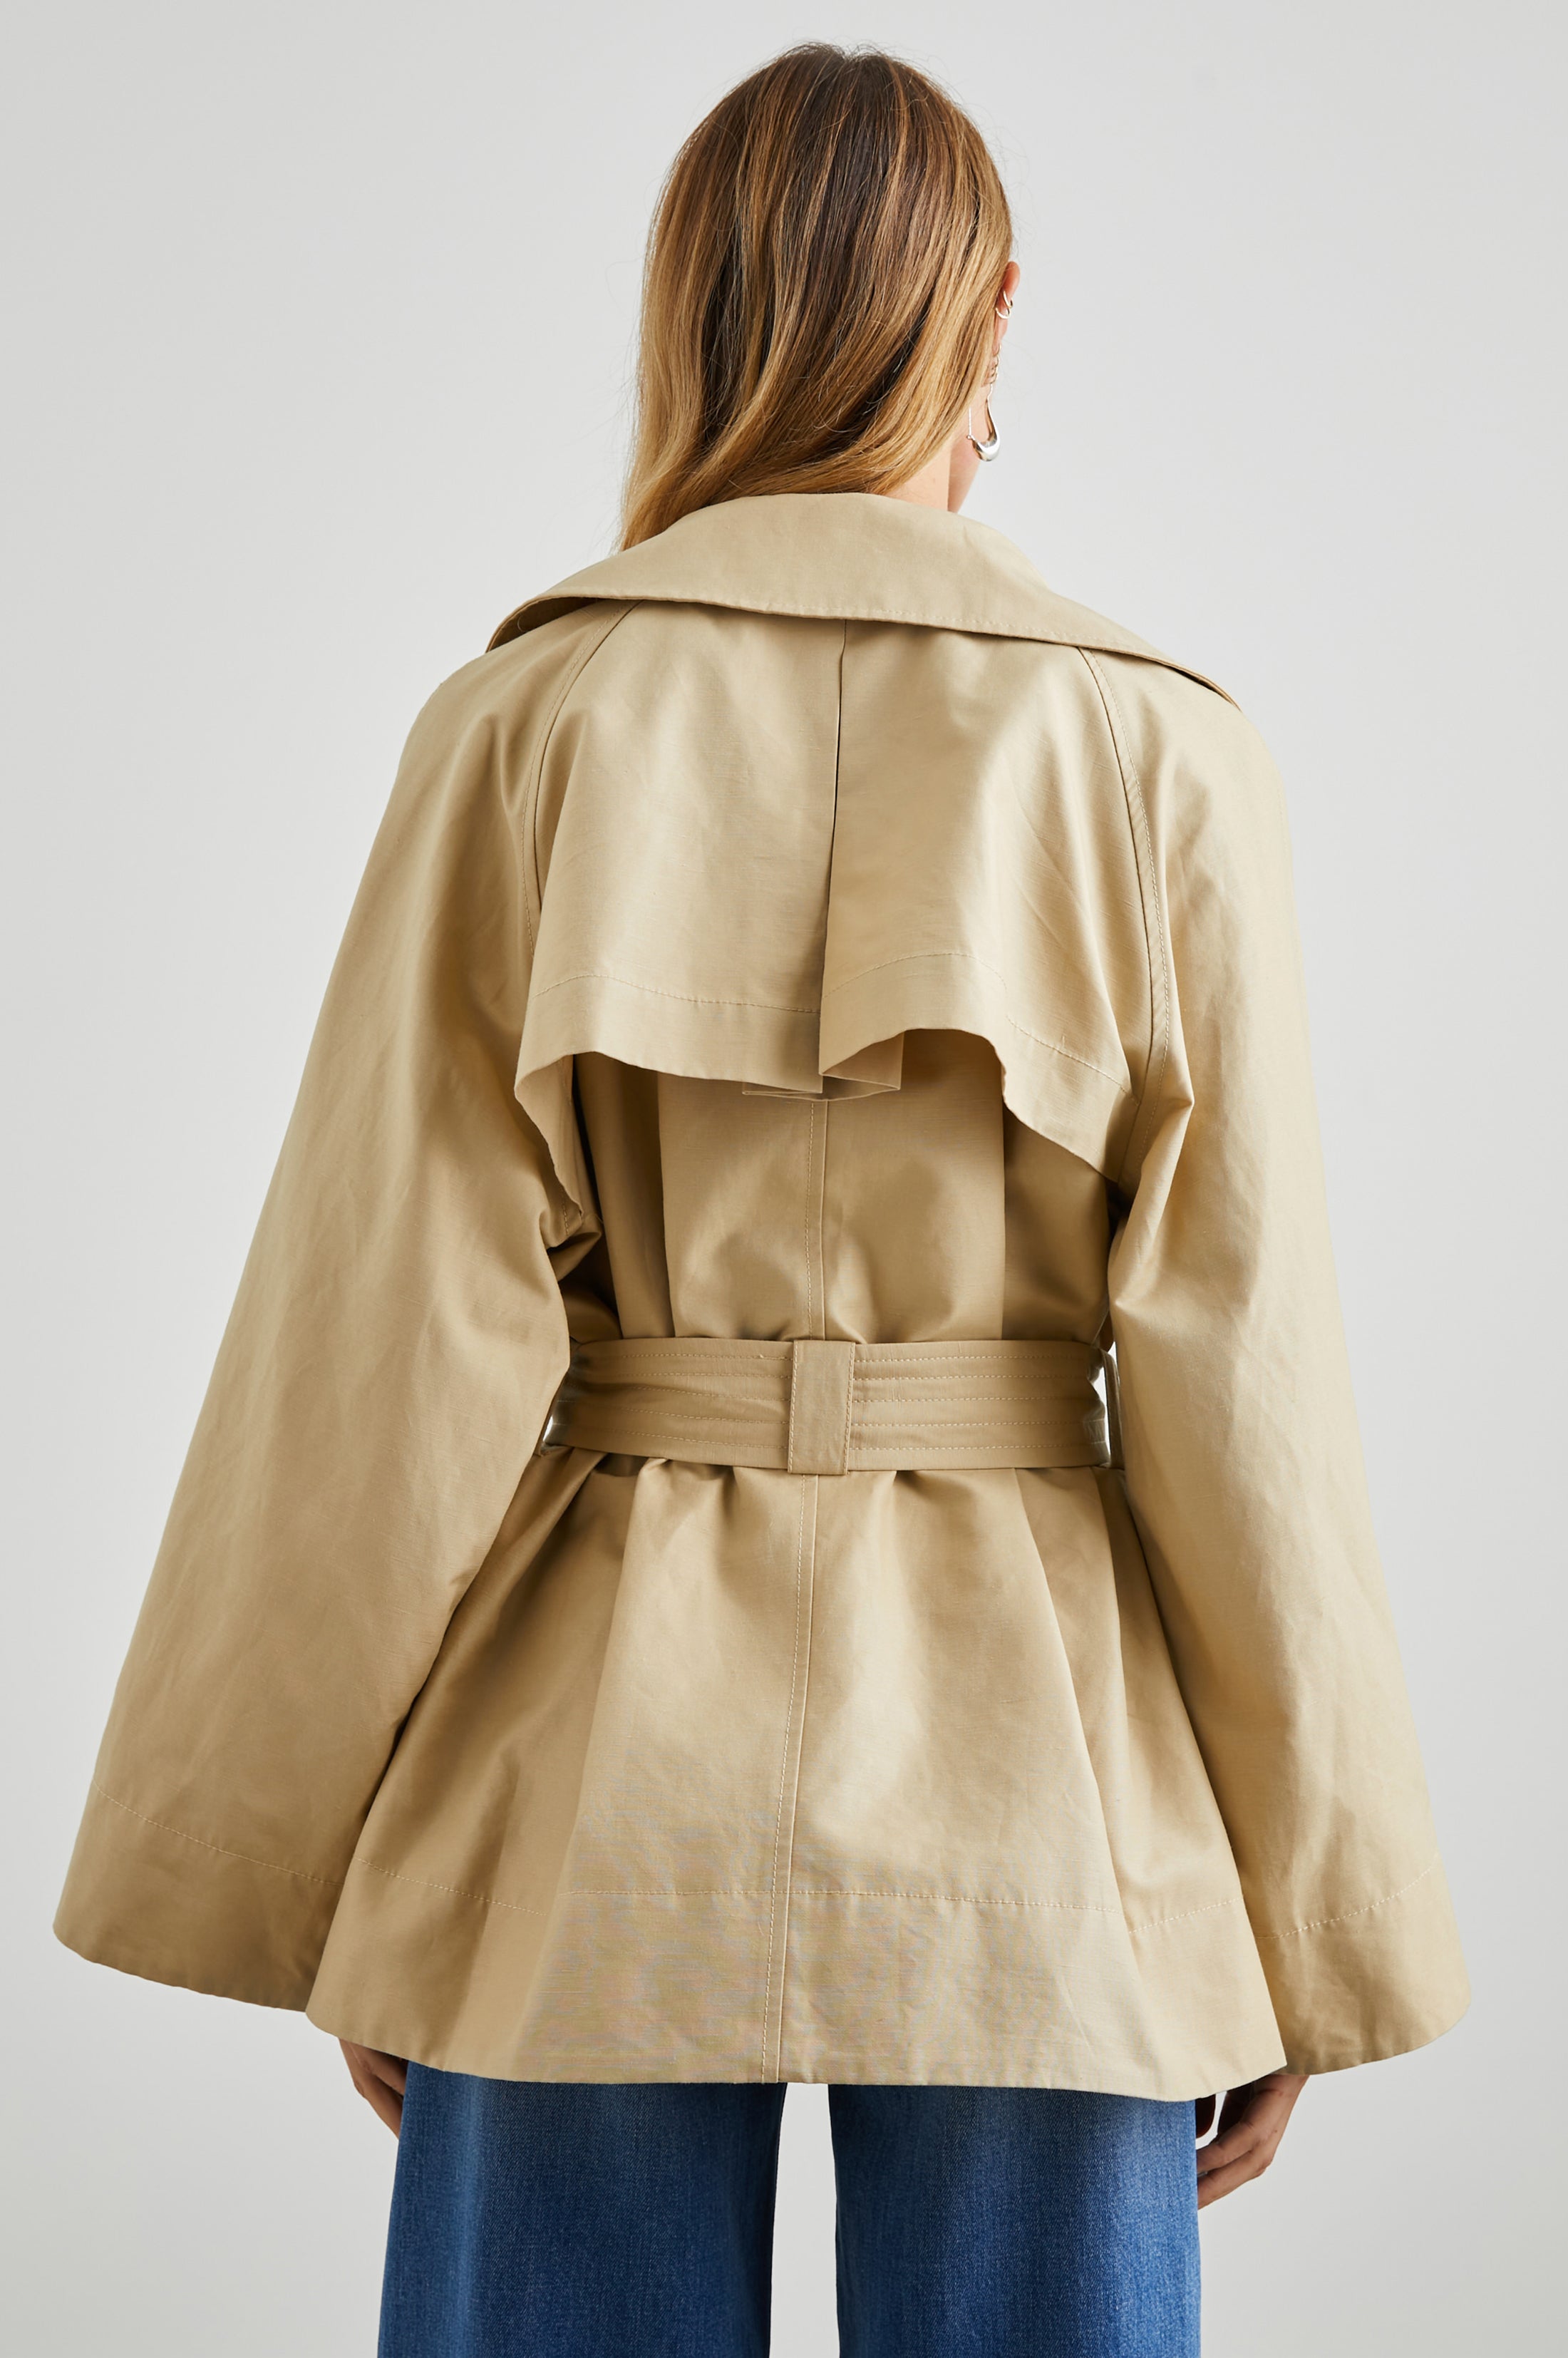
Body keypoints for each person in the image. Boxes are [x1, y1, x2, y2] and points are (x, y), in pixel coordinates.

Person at [55, 42, 1468, 2358]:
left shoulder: (525, 727)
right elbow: (1251, 1392)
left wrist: (332, 1856)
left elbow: (378, 1337)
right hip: (1046, 1781)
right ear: (996, 313)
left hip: (592, 1762)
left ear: (688, 309)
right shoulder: (1162, 756)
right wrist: (1308, 1916)